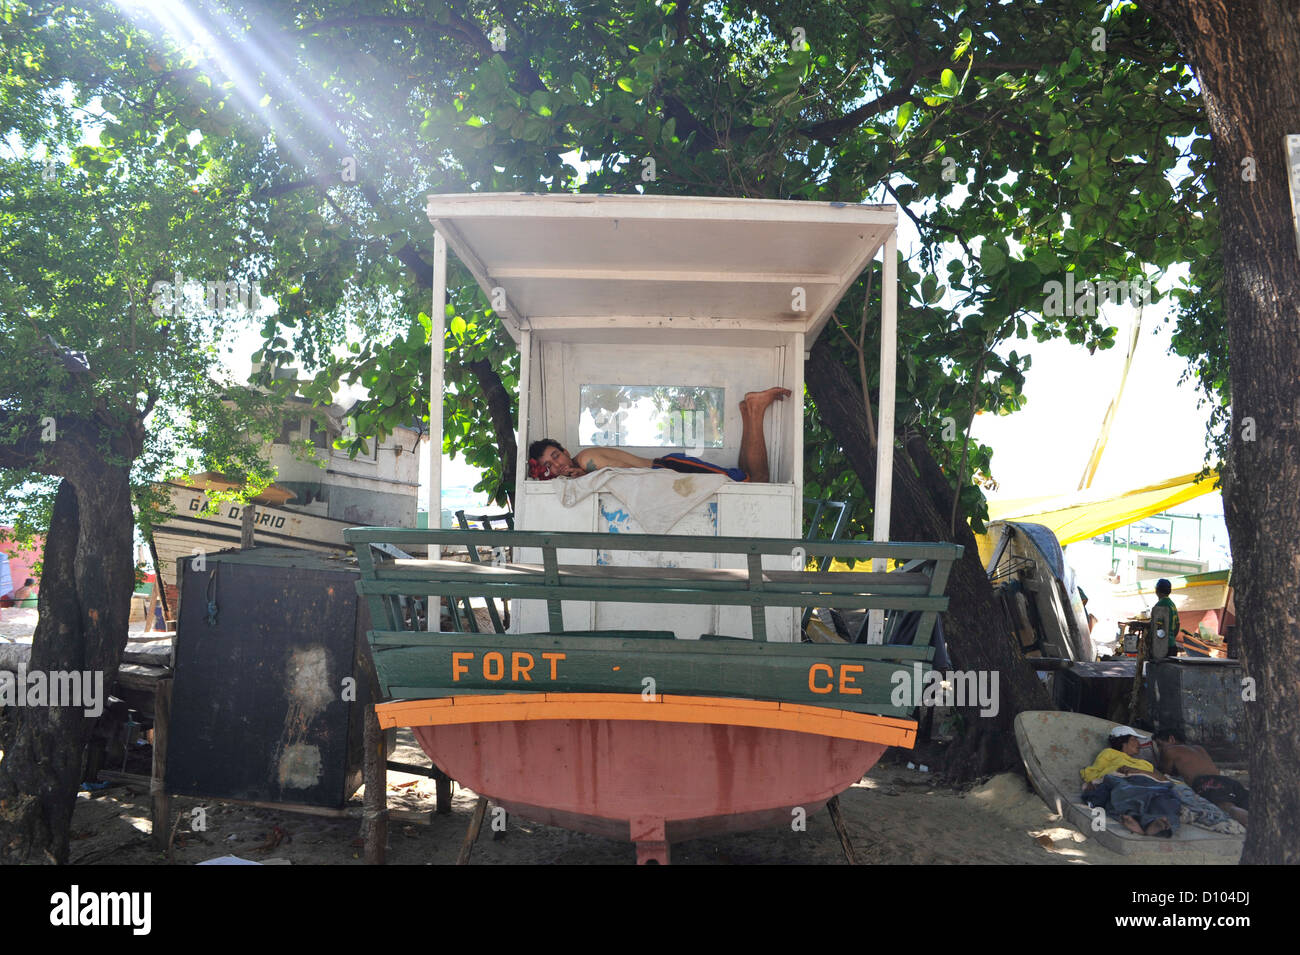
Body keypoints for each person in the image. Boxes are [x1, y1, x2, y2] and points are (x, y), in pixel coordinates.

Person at [529, 386, 790, 484]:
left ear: (564, 451)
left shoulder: (585, 460)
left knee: (757, 482)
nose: (558, 465)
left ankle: (756, 409)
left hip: (671, 468)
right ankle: (748, 412)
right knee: (742, 477)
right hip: (670, 469)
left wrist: (586, 476)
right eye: (549, 466)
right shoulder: (581, 470)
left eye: (556, 456)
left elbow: (623, 473)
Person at [1081, 726, 1179, 837]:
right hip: (1123, 780)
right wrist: (1091, 782)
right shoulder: (1109, 753)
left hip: (1151, 784)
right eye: (1134, 739)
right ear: (1122, 741)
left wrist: (1137, 770)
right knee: (1126, 791)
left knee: (1167, 798)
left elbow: (1163, 779)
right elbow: (1094, 771)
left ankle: (1157, 823)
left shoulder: (1144, 763)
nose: (1138, 743)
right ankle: (1136, 819)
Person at [1154, 728, 1249, 827]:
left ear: (1171, 739)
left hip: (1207, 783)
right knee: (1247, 804)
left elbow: (1164, 773)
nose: (1159, 749)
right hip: (1227, 781)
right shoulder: (1199, 748)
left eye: (1159, 745)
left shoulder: (1169, 750)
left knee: (1228, 807)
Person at [1150, 578, 1180, 657]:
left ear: (1157, 590)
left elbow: (1158, 627)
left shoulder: (1160, 605)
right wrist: (1171, 638)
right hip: (1172, 646)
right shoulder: (1172, 605)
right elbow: (1177, 625)